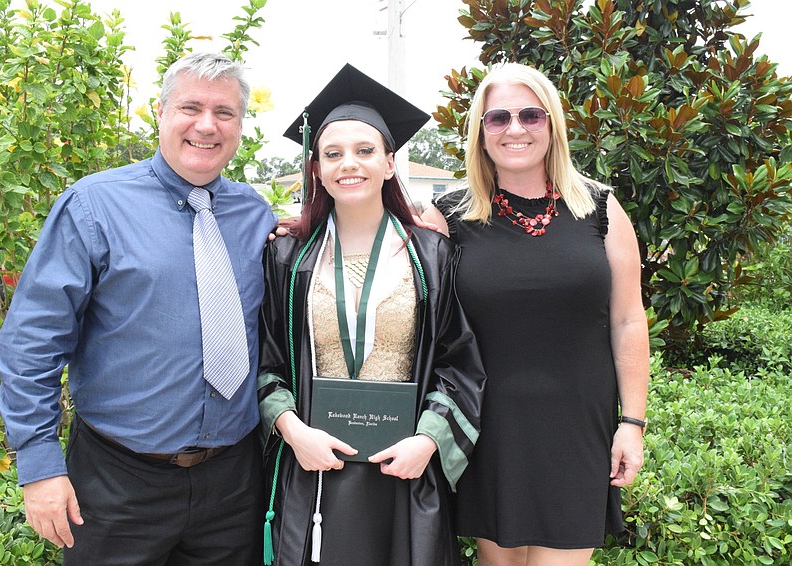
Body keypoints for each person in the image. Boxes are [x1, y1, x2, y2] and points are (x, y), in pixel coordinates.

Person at [0, 51, 277, 564]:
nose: (206, 126)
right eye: (190, 108)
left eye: (225, 113)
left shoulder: (254, 214)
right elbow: (32, 342)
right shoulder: (93, 207)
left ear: (240, 125)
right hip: (117, 484)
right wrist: (39, 461)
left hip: (232, 485)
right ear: (160, 113)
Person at [257, 63, 487, 566]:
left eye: (365, 151)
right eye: (332, 154)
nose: (349, 164)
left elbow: (459, 363)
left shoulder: (432, 256)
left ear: (389, 162)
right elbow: (267, 362)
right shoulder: (287, 257)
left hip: (402, 470)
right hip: (313, 465)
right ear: (315, 168)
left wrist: (428, 441)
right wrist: (295, 433)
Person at [420, 63, 650, 565]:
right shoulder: (449, 215)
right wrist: (302, 229)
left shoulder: (601, 209)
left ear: (553, 125)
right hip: (488, 426)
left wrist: (631, 422)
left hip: (577, 426)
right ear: (480, 132)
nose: (516, 128)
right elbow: (388, 280)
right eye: (498, 117)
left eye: (530, 115)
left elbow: (628, 320)